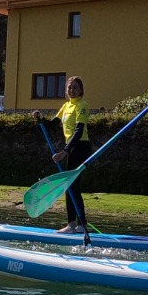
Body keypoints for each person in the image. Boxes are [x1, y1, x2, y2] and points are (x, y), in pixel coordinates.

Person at [49, 75, 93, 232]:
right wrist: (39, 119)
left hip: (81, 148)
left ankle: (77, 224)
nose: (72, 90)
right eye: (69, 88)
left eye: (75, 87)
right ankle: (77, 224)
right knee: (71, 186)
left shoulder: (82, 105)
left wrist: (64, 152)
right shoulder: (66, 106)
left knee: (71, 185)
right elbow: (52, 125)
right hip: (72, 148)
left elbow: (79, 131)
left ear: (81, 90)